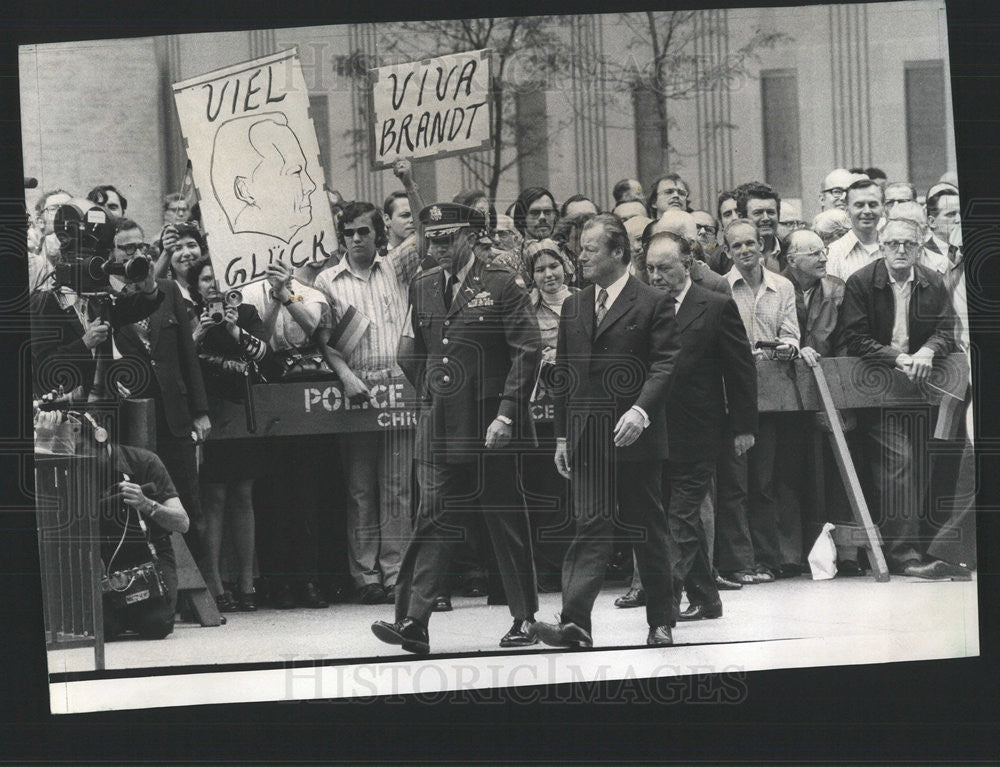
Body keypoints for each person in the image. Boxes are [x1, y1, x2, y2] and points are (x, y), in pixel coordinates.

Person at [371, 202, 541, 655]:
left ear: (470, 236)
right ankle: (413, 621)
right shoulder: (423, 284)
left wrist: (506, 413)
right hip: (443, 421)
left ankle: (524, 617)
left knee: (505, 518)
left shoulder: (502, 283)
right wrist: (433, 394)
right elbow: (411, 352)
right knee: (433, 518)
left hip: (491, 421)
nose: (439, 248)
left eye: (448, 239)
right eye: (433, 240)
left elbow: (527, 351)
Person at [532, 214, 680, 648]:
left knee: (647, 528)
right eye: (580, 249)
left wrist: (640, 411)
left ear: (618, 253)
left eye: (590, 250)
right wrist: (562, 435)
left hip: (636, 435)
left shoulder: (652, 301)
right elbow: (564, 374)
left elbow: (666, 364)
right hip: (587, 439)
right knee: (589, 526)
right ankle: (575, 624)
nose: (580, 257)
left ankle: (661, 621)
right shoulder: (574, 305)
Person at [838, 217, 970, 580]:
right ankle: (902, 555)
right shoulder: (861, 282)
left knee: (928, 464)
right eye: (893, 244)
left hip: (923, 389)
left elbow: (946, 331)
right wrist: (897, 359)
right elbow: (856, 338)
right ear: (881, 246)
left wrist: (928, 350)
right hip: (878, 391)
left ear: (918, 246)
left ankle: (927, 547)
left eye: (908, 244)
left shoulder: (932, 281)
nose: (900, 250)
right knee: (898, 464)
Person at [642, 231, 757, 620]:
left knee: (682, 515)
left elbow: (741, 372)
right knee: (670, 516)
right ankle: (707, 598)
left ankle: (666, 598)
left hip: (700, 431)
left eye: (664, 267)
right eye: (650, 268)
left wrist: (744, 427)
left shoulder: (715, 306)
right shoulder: (643, 308)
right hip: (653, 431)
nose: (655, 276)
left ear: (687, 264)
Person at [314, 200, 419, 605]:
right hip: (354, 390)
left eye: (364, 231)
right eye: (349, 232)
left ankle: (396, 573)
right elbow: (322, 338)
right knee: (360, 489)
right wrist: (346, 377)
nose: (356, 238)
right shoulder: (327, 280)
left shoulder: (395, 267)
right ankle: (365, 575)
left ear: (379, 233)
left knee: (397, 487)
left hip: (397, 387)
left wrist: (409, 183)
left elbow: (425, 235)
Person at [111, 219, 212, 590]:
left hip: (175, 416)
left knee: (189, 502)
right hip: (132, 419)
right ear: (111, 254)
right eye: (125, 248)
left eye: (140, 246)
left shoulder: (167, 289)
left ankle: (206, 590)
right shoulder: (106, 299)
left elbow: (187, 353)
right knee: (143, 504)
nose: (134, 253)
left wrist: (200, 410)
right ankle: (162, 587)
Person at [242, 260, 345, 608]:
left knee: (308, 491)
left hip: (307, 396)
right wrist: (271, 299)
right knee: (272, 493)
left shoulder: (313, 294)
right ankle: (278, 582)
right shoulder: (247, 293)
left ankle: (310, 578)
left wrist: (286, 293)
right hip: (269, 395)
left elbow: (313, 328)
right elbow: (258, 340)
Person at [720, 218, 800, 585]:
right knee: (735, 485)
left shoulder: (783, 287)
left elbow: (792, 334)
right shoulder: (720, 288)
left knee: (763, 482)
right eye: (737, 246)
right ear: (728, 251)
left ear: (763, 246)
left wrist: (788, 347)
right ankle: (739, 562)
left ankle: (768, 560)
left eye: (751, 244)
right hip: (730, 396)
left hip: (769, 395)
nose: (745, 251)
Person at [188, 260, 270, 612]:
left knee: (243, 494)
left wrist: (236, 331)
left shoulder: (247, 313)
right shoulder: (190, 315)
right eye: (206, 279)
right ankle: (217, 585)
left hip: (242, 414)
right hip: (210, 415)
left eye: (219, 279)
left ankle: (247, 582)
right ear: (196, 286)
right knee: (214, 498)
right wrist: (198, 332)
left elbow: (265, 357)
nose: (214, 286)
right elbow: (178, 361)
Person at [523, 238, 577, 592]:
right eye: (540, 269)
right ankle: (548, 568)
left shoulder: (583, 302)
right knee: (545, 489)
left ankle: (576, 566)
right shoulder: (526, 307)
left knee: (575, 489)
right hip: (540, 411)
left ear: (566, 267)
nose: (548, 275)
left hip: (576, 407)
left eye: (553, 266)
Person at [97, 442, 190, 640]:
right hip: (102, 559)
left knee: (156, 625)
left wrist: (147, 504)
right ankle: (122, 618)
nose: (79, 457)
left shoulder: (146, 461)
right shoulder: (69, 467)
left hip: (150, 554)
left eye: (82, 449)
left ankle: (131, 616)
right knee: (102, 628)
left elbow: (183, 523)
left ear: (100, 438)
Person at [826, 178, 885, 281]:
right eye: (859, 205)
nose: (867, 211)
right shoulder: (833, 253)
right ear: (847, 210)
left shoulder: (894, 247)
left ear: (882, 208)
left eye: (873, 205)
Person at [154, 221, 209, 320]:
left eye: (192, 245)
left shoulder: (214, 288)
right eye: (177, 248)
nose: (187, 253)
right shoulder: (167, 293)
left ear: (201, 248)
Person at [27, 188, 72, 293]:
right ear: (40, 222)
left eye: (69, 207)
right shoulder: (31, 264)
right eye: (54, 208)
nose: (63, 212)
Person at [736, 181, 783, 272]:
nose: (766, 218)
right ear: (742, 217)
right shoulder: (723, 258)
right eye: (758, 213)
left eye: (771, 212)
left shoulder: (790, 252)